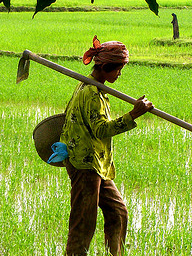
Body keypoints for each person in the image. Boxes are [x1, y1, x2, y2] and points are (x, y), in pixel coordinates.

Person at [60, 35, 153, 256]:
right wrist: (133, 115)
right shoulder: (91, 93)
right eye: (118, 69)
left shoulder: (96, 88)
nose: (120, 73)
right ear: (107, 66)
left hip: (97, 165)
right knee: (83, 224)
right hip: (85, 165)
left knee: (117, 212)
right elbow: (101, 129)